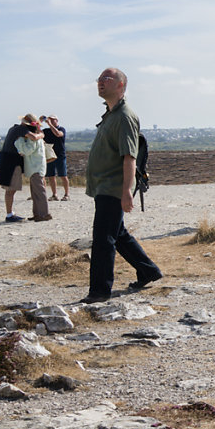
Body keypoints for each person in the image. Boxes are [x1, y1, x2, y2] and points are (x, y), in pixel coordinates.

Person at [82, 68, 163, 303]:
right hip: (105, 186)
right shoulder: (111, 113)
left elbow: (130, 157)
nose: (100, 82)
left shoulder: (125, 115)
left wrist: (126, 191)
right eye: (98, 79)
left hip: (113, 187)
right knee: (118, 233)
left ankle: (99, 291)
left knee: (103, 239)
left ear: (121, 85)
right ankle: (148, 270)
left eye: (106, 79)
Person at [13, 114, 52, 221]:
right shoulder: (37, 136)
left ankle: (44, 214)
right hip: (37, 167)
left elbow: (27, 151)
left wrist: (18, 141)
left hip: (35, 168)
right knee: (36, 193)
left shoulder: (32, 139)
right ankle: (38, 214)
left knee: (39, 193)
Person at [0, 117, 30, 222]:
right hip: (12, 163)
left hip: (8, 161)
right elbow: (34, 136)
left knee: (10, 189)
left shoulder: (14, 128)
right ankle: (9, 214)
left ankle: (10, 213)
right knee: (11, 189)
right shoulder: (21, 129)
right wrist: (40, 132)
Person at [41, 115, 69, 201]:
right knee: (51, 176)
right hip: (50, 156)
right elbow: (37, 133)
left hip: (60, 155)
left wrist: (50, 125)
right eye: (50, 120)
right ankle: (54, 194)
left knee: (63, 175)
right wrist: (39, 122)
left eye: (53, 120)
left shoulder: (62, 129)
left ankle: (66, 194)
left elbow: (57, 134)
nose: (51, 121)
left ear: (57, 120)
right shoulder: (46, 131)